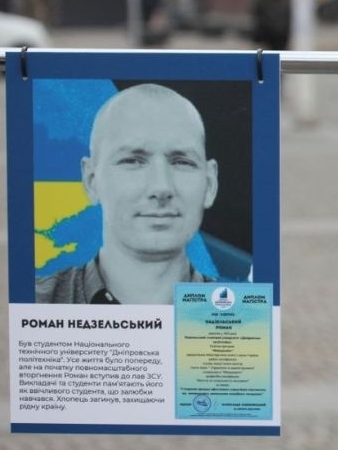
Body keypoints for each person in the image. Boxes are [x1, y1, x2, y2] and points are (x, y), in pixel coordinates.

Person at [36, 84, 219, 304]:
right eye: (132, 161)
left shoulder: (240, 317)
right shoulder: (34, 303)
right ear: (91, 181)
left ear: (210, 184)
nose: (161, 187)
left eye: (182, 162)